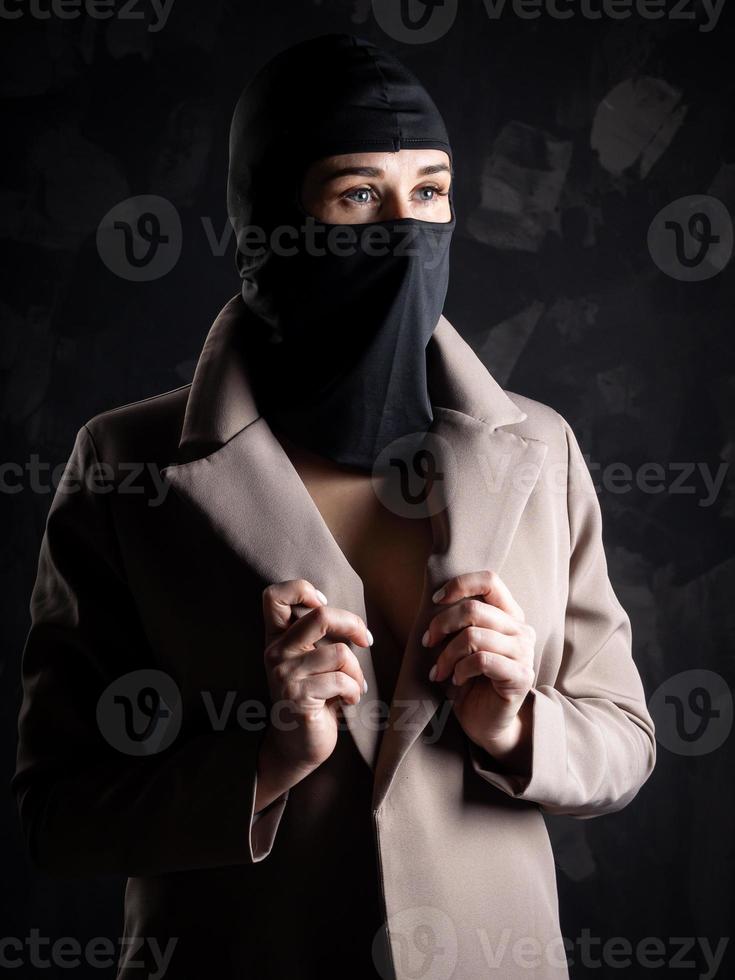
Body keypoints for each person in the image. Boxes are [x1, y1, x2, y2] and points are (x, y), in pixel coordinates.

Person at [14, 34, 656, 980]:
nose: (405, 231)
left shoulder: (541, 448)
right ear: (270, 219)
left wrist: (518, 726)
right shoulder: (125, 466)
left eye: (429, 192)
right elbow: (57, 817)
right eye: (358, 195)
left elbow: (626, 740)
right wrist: (265, 759)